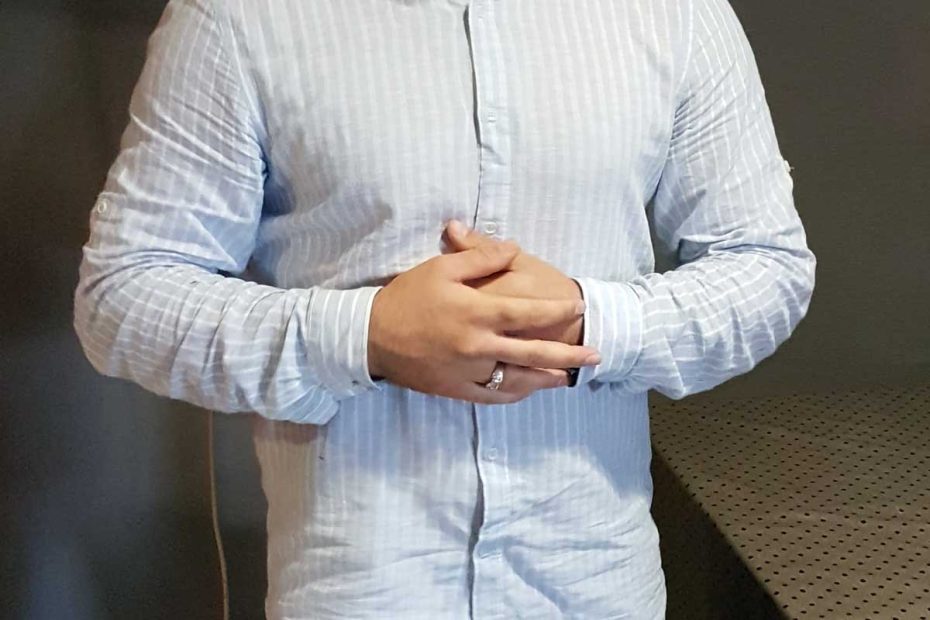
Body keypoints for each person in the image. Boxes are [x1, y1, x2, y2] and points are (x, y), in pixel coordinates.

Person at [73, 0, 816, 616]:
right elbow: (122, 294)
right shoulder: (242, 16)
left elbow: (768, 266)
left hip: (594, 586)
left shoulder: (675, 14)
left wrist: (587, 321)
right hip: (359, 591)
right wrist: (366, 336)